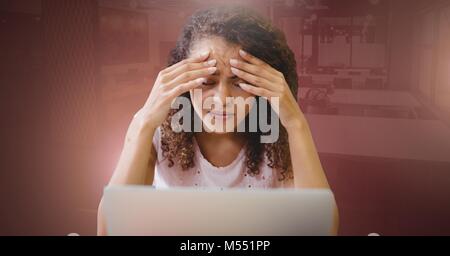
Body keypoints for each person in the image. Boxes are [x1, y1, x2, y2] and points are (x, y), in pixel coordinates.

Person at [97, 6, 339, 235]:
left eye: (238, 82)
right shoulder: (160, 135)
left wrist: (296, 122)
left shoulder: (278, 138)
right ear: (184, 80)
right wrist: (143, 122)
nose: (222, 99)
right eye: (207, 81)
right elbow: (110, 230)